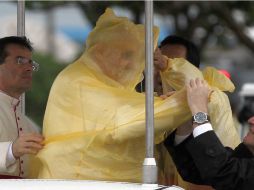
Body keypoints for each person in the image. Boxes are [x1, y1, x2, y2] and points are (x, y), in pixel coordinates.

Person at [36, 8, 239, 183]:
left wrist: (173, 81)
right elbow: (124, 122)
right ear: (100, 52)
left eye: (134, 57)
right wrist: (175, 102)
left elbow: (202, 94)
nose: (154, 68)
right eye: (127, 56)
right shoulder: (80, 80)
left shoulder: (212, 96)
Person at [165, 78, 254, 190]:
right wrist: (187, 115)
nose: (250, 120)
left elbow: (223, 171)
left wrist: (199, 112)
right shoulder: (245, 154)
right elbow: (198, 170)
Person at [0, 36, 44, 178]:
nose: (28, 68)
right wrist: (11, 150)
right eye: (20, 61)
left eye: (31, 63)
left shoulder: (30, 127)